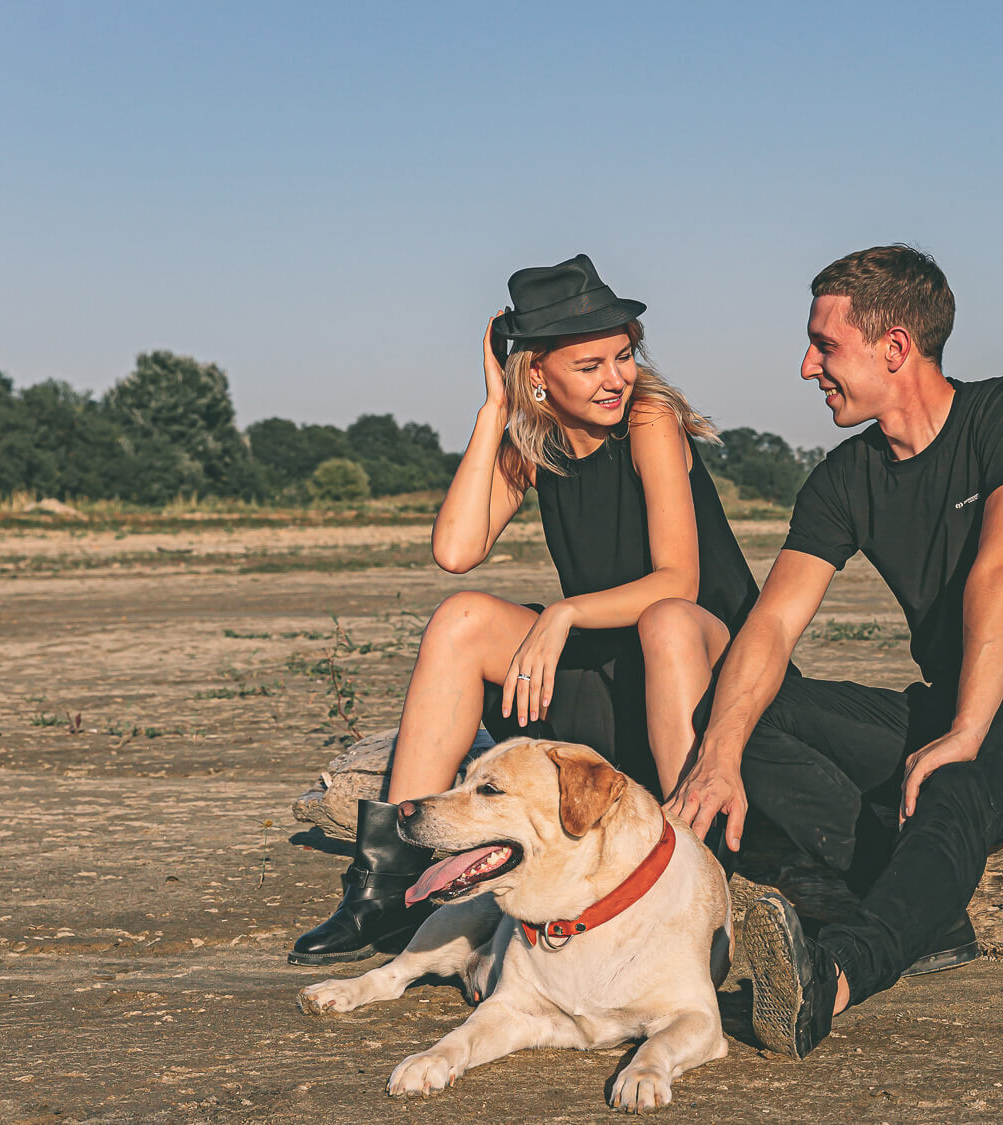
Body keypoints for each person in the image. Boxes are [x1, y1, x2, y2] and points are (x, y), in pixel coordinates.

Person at [666, 245, 1003, 1057]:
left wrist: (969, 730)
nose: (807, 366)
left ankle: (833, 976)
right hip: (948, 713)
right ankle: (928, 908)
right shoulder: (846, 478)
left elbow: (1002, 569)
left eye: (825, 346)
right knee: (743, 707)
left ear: (895, 347)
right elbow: (771, 625)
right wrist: (720, 755)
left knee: (954, 783)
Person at [291, 254, 759, 966]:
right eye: (590, 365)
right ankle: (387, 884)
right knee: (461, 618)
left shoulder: (648, 418)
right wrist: (494, 412)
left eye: (623, 356)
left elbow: (679, 580)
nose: (616, 378)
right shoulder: (535, 442)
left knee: (663, 621)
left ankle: (693, 873)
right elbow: (455, 549)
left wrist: (561, 614)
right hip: (609, 673)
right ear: (537, 374)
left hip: (697, 665)